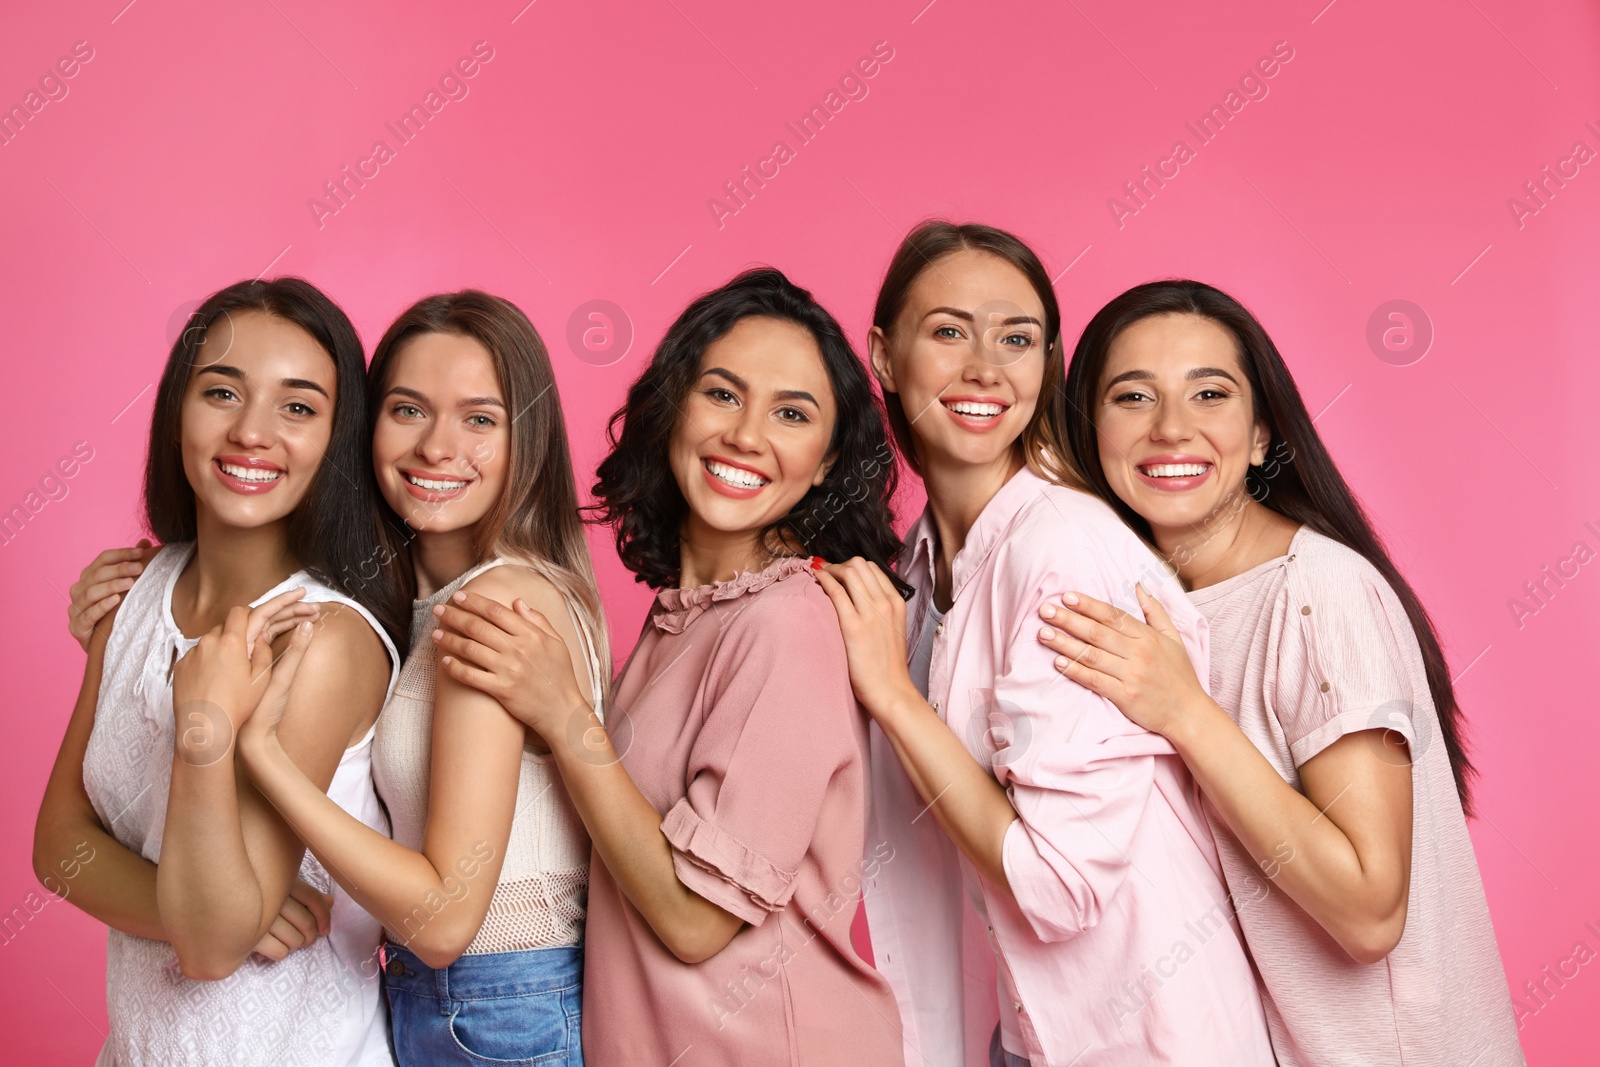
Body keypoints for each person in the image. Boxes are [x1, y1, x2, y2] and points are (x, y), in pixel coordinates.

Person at [815, 222, 1276, 1067]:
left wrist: (891, 695)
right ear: (883, 354)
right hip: (1028, 1037)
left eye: (1017, 338)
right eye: (950, 330)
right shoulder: (918, 570)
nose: (986, 367)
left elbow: (1057, 887)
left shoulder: (1059, 547)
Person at [1033, 279, 1525, 1066]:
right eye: (1131, 397)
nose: (1171, 428)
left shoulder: (1317, 592)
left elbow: (1369, 911)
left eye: (1210, 393)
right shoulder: (1144, 602)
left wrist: (1187, 713)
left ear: (1261, 434)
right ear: (1089, 431)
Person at [430, 268, 907, 1066]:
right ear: (674, 407)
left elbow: (693, 921)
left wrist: (568, 718)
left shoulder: (787, 621)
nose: (747, 434)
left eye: (792, 413)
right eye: (722, 394)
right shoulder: (685, 617)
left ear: (826, 462)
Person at [224, 290, 604, 1066]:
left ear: (525, 437)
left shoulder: (494, 605)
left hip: (494, 1010)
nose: (438, 446)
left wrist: (266, 761)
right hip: (458, 1006)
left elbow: (442, 915)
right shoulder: (432, 603)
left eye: (479, 418)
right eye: (408, 409)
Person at [35, 278, 406, 1066]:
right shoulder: (134, 594)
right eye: (221, 391)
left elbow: (208, 951)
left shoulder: (323, 638)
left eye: (297, 407)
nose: (251, 431)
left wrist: (202, 729)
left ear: (336, 438)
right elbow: (58, 844)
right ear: (177, 408)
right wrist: (199, 909)